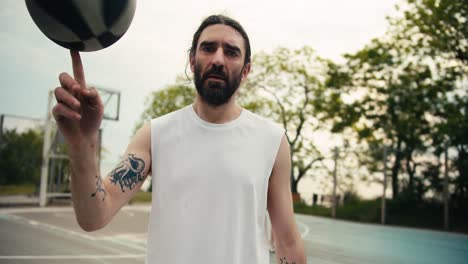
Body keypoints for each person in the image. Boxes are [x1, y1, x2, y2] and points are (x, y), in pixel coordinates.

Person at [52, 14, 306, 264]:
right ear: (193, 60)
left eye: (231, 52)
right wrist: (82, 145)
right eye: (208, 48)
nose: (218, 59)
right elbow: (94, 217)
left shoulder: (271, 141)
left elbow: (287, 242)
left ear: (246, 70)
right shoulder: (155, 134)